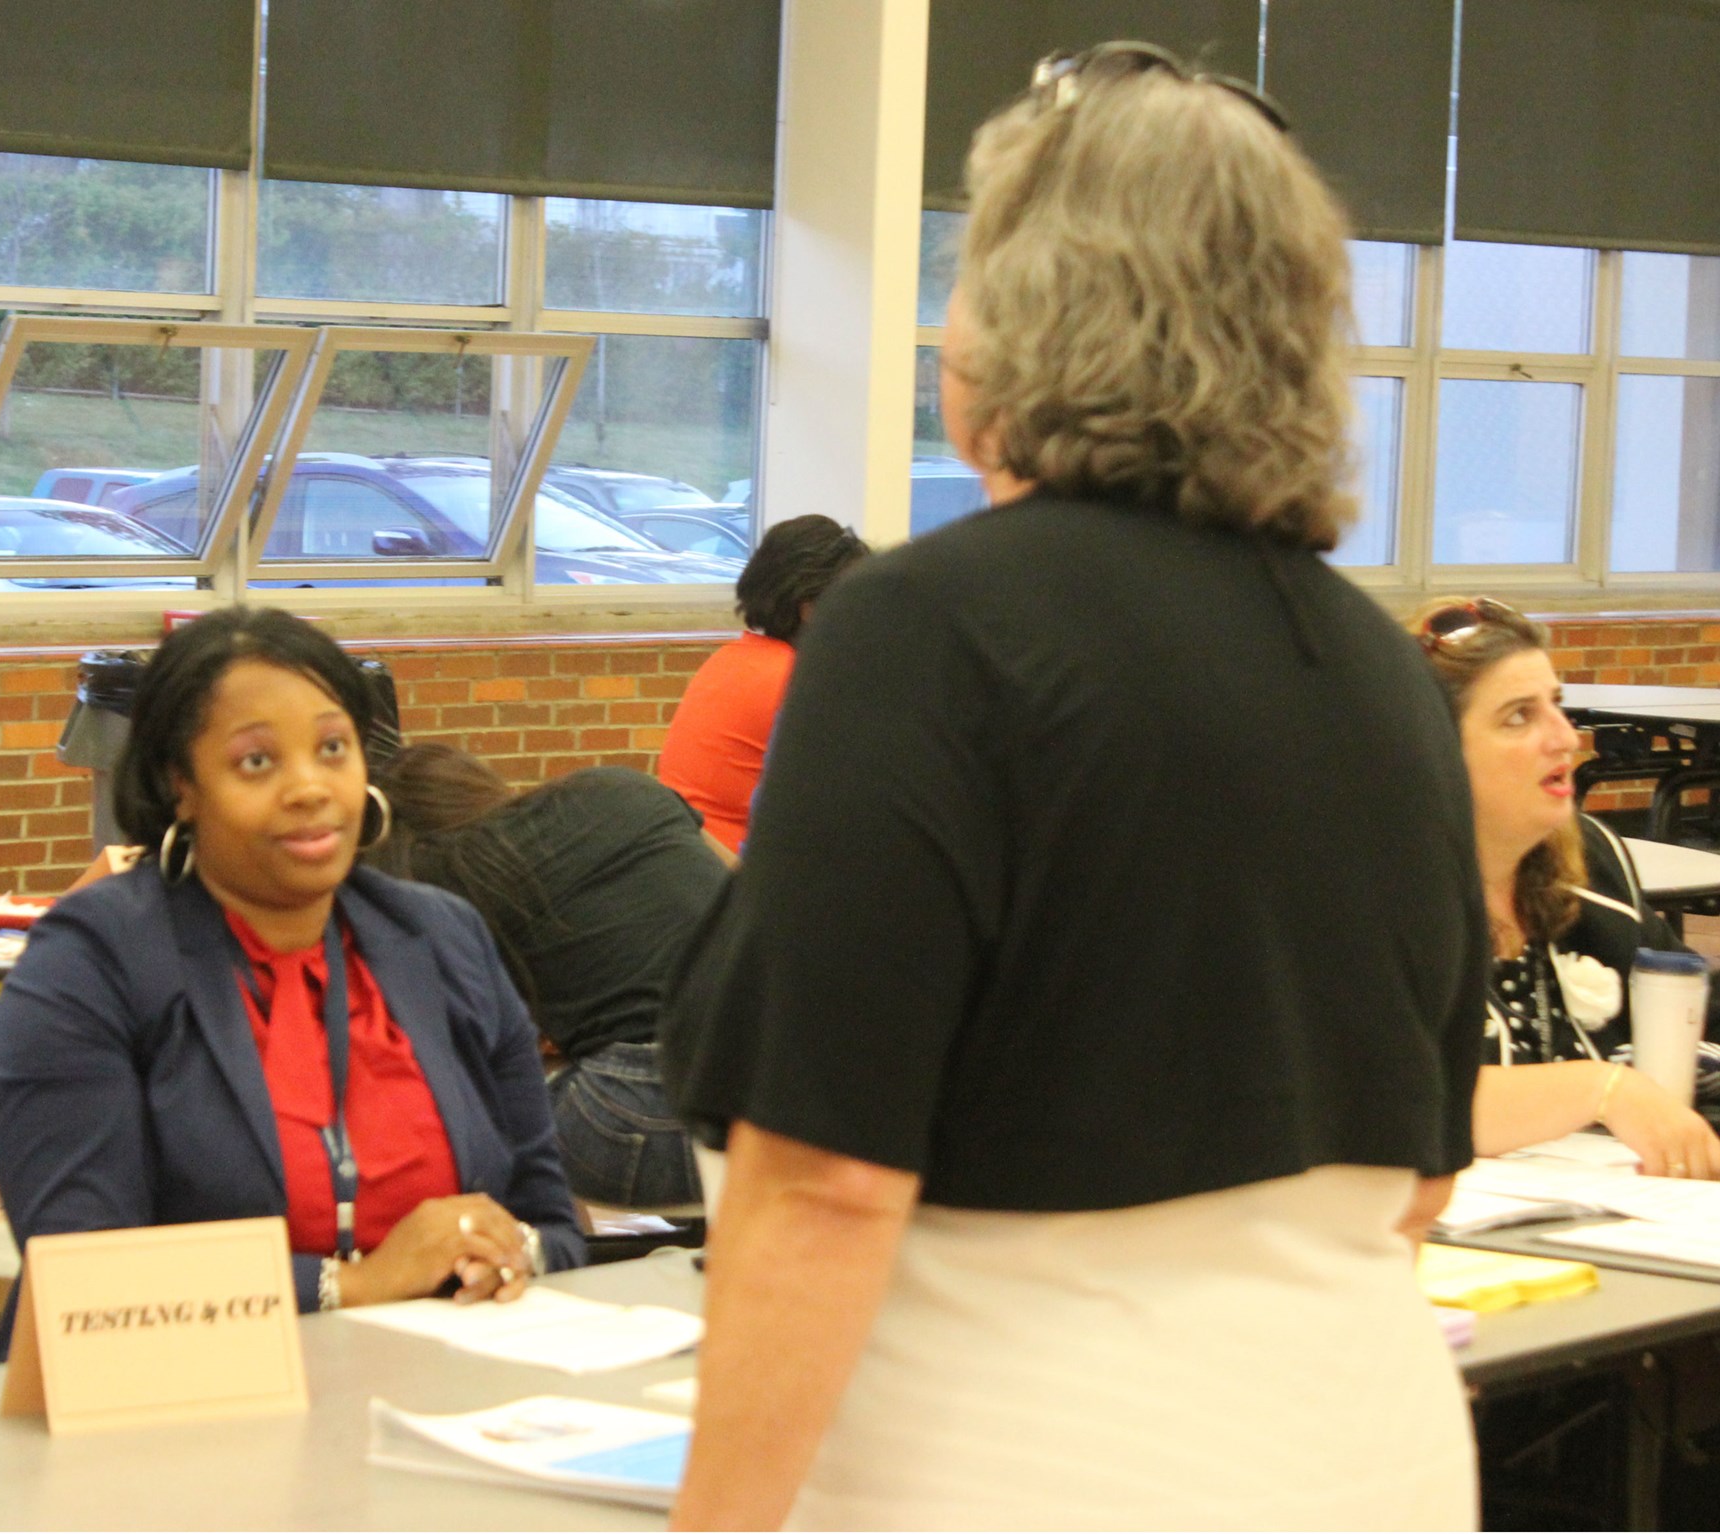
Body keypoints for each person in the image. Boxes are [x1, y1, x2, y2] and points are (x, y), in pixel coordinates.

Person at [661, 43, 1483, 1530]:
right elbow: (1418, 1182)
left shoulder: (926, 629)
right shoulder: (1378, 672)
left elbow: (824, 1179)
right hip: (1370, 1454)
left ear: (1032, 320)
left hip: (1029, 1466)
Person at [0, 608, 582, 1357]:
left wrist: (504, 1252)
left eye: (333, 748)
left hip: (434, 1390)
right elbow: (84, 1271)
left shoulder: (442, 937)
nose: (309, 787)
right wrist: (356, 1284)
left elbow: (555, 1225)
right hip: (168, 1406)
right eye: (257, 762)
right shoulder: (91, 960)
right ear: (181, 786)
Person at [1413, 597, 1720, 1177]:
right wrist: (1602, 1089)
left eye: (1557, 706)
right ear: (1429, 752)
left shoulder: (1591, 866)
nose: (1565, 739)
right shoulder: (1362, 900)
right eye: (1518, 717)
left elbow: (1695, 1025)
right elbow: (1380, 1103)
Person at [371, 743, 730, 1209]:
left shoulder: (438, 884)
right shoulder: (621, 784)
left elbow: (473, 1051)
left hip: (643, 1119)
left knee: (458, 1122)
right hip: (790, 1088)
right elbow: (751, 895)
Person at [657, 514, 868, 849]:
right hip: (734, 870)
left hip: (688, 854)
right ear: (809, 608)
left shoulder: (729, 659)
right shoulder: (797, 681)